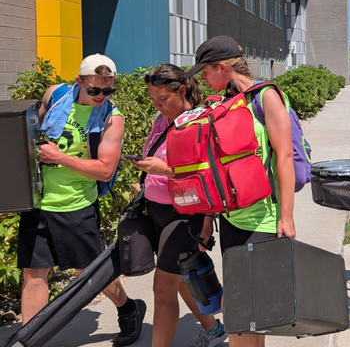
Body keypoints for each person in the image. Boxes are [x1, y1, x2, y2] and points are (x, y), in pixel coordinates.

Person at [22, 54, 145, 345]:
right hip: (38, 202)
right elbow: (30, 137)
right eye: (94, 90)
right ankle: (28, 339)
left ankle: (128, 307)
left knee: (88, 274)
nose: (102, 96)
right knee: (34, 276)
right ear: (79, 82)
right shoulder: (55, 96)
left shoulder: (112, 119)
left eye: (108, 90)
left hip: (76, 205)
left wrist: (60, 158)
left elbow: (104, 171)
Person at [185, 35, 296, 347]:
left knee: (240, 318)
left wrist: (286, 217)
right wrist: (208, 222)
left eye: (205, 72)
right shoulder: (225, 103)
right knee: (250, 317)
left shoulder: (266, 98)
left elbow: (284, 156)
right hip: (232, 220)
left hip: (262, 222)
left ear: (222, 68)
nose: (203, 79)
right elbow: (216, 169)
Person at [130, 64, 227, 347]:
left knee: (162, 289)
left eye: (163, 99)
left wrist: (208, 220)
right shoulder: (160, 121)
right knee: (181, 279)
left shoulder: (198, 121)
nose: (158, 105)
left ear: (182, 90)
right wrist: (146, 181)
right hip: (157, 211)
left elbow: (210, 173)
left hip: (185, 215)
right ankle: (213, 330)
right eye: (153, 100)